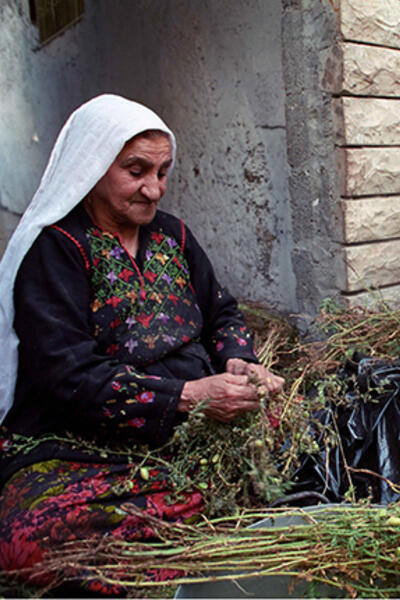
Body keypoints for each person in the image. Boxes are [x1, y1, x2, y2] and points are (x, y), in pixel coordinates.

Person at [0, 94, 285, 591]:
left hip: (194, 430)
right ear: (92, 166)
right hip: (82, 443)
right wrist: (191, 397)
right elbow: (70, 377)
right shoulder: (58, 251)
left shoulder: (173, 236)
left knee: (293, 424)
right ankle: (215, 512)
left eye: (163, 172)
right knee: (29, 536)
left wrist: (240, 360)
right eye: (136, 171)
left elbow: (222, 311)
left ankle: (203, 510)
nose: (154, 190)